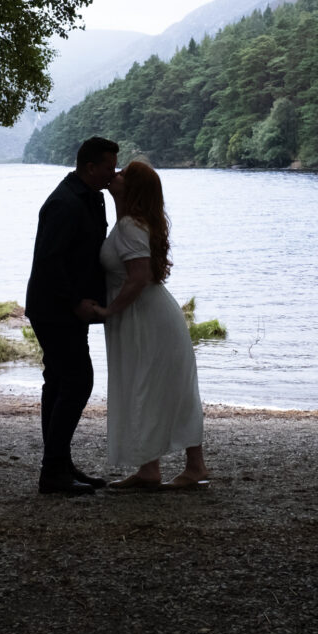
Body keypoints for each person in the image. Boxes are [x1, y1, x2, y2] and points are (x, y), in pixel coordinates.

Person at [93, 160, 208, 491]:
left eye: (123, 174)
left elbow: (138, 277)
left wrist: (108, 310)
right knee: (159, 387)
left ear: (132, 188)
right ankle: (155, 468)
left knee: (149, 385)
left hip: (145, 317)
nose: (115, 175)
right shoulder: (137, 222)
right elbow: (131, 261)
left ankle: (182, 466)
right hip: (155, 315)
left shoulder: (131, 225)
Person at [25, 136, 119, 495]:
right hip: (55, 308)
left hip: (62, 307)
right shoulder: (65, 203)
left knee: (59, 381)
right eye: (109, 167)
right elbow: (50, 261)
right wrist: (77, 300)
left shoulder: (90, 198)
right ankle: (52, 470)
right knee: (78, 380)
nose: (114, 173)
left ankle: (59, 463)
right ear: (90, 167)